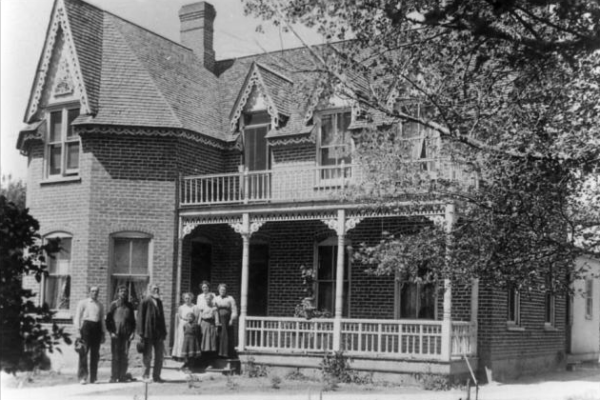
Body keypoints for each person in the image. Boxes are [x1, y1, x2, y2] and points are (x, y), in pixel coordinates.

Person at [74, 286, 106, 384]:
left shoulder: (100, 305)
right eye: (92, 291)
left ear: (98, 293)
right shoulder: (83, 303)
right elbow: (77, 317)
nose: (94, 293)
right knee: (83, 353)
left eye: (96, 291)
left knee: (95, 354)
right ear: (89, 292)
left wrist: (103, 333)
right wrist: (78, 331)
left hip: (96, 328)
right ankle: (83, 377)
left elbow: (102, 320)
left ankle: (94, 378)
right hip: (86, 328)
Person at [137, 283, 167, 383]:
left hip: (158, 334)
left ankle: (157, 376)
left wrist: (164, 332)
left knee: (159, 356)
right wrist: (140, 333)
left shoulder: (159, 302)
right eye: (154, 289)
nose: (156, 291)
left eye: (157, 289)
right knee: (147, 356)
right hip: (147, 332)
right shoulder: (145, 301)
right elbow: (140, 317)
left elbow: (162, 318)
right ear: (150, 290)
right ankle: (145, 376)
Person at [105, 285, 136, 383]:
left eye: (125, 291)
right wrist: (111, 332)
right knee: (115, 355)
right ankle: (114, 377)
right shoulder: (113, 304)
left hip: (126, 334)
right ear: (118, 293)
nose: (123, 293)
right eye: (121, 291)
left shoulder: (130, 306)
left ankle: (122, 376)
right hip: (116, 334)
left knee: (124, 355)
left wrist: (132, 333)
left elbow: (133, 322)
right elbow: (108, 320)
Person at [171, 292, 197, 365]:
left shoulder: (194, 307)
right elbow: (179, 317)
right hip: (183, 324)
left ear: (191, 298)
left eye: (189, 298)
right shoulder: (181, 307)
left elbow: (196, 317)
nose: (187, 300)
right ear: (183, 299)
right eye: (186, 298)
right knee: (181, 339)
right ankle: (180, 355)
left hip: (191, 324)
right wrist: (182, 324)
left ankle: (188, 356)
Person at [214, 283, 237, 358]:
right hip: (219, 318)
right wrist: (217, 320)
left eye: (224, 290)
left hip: (227, 320)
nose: (222, 291)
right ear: (218, 290)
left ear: (226, 290)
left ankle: (227, 354)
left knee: (227, 335)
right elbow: (215, 310)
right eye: (221, 289)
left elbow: (234, 310)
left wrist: (231, 319)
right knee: (219, 334)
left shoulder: (230, 298)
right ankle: (219, 353)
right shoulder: (216, 298)